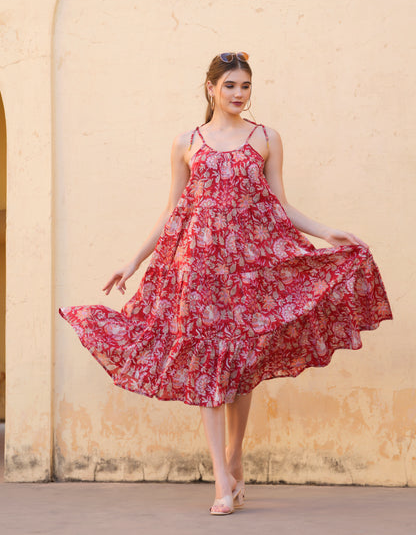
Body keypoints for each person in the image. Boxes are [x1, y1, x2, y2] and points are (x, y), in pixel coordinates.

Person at [59, 51, 393, 516]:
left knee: (240, 367)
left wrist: (325, 231)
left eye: (246, 86)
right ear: (211, 88)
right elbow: (172, 211)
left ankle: (235, 459)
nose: (239, 94)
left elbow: (280, 206)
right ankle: (222, 479)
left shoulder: (266, 138)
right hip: (197, 270)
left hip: (249, 267)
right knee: (210, 370)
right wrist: (133, 261)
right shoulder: (186, 142)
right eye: (231, 85)